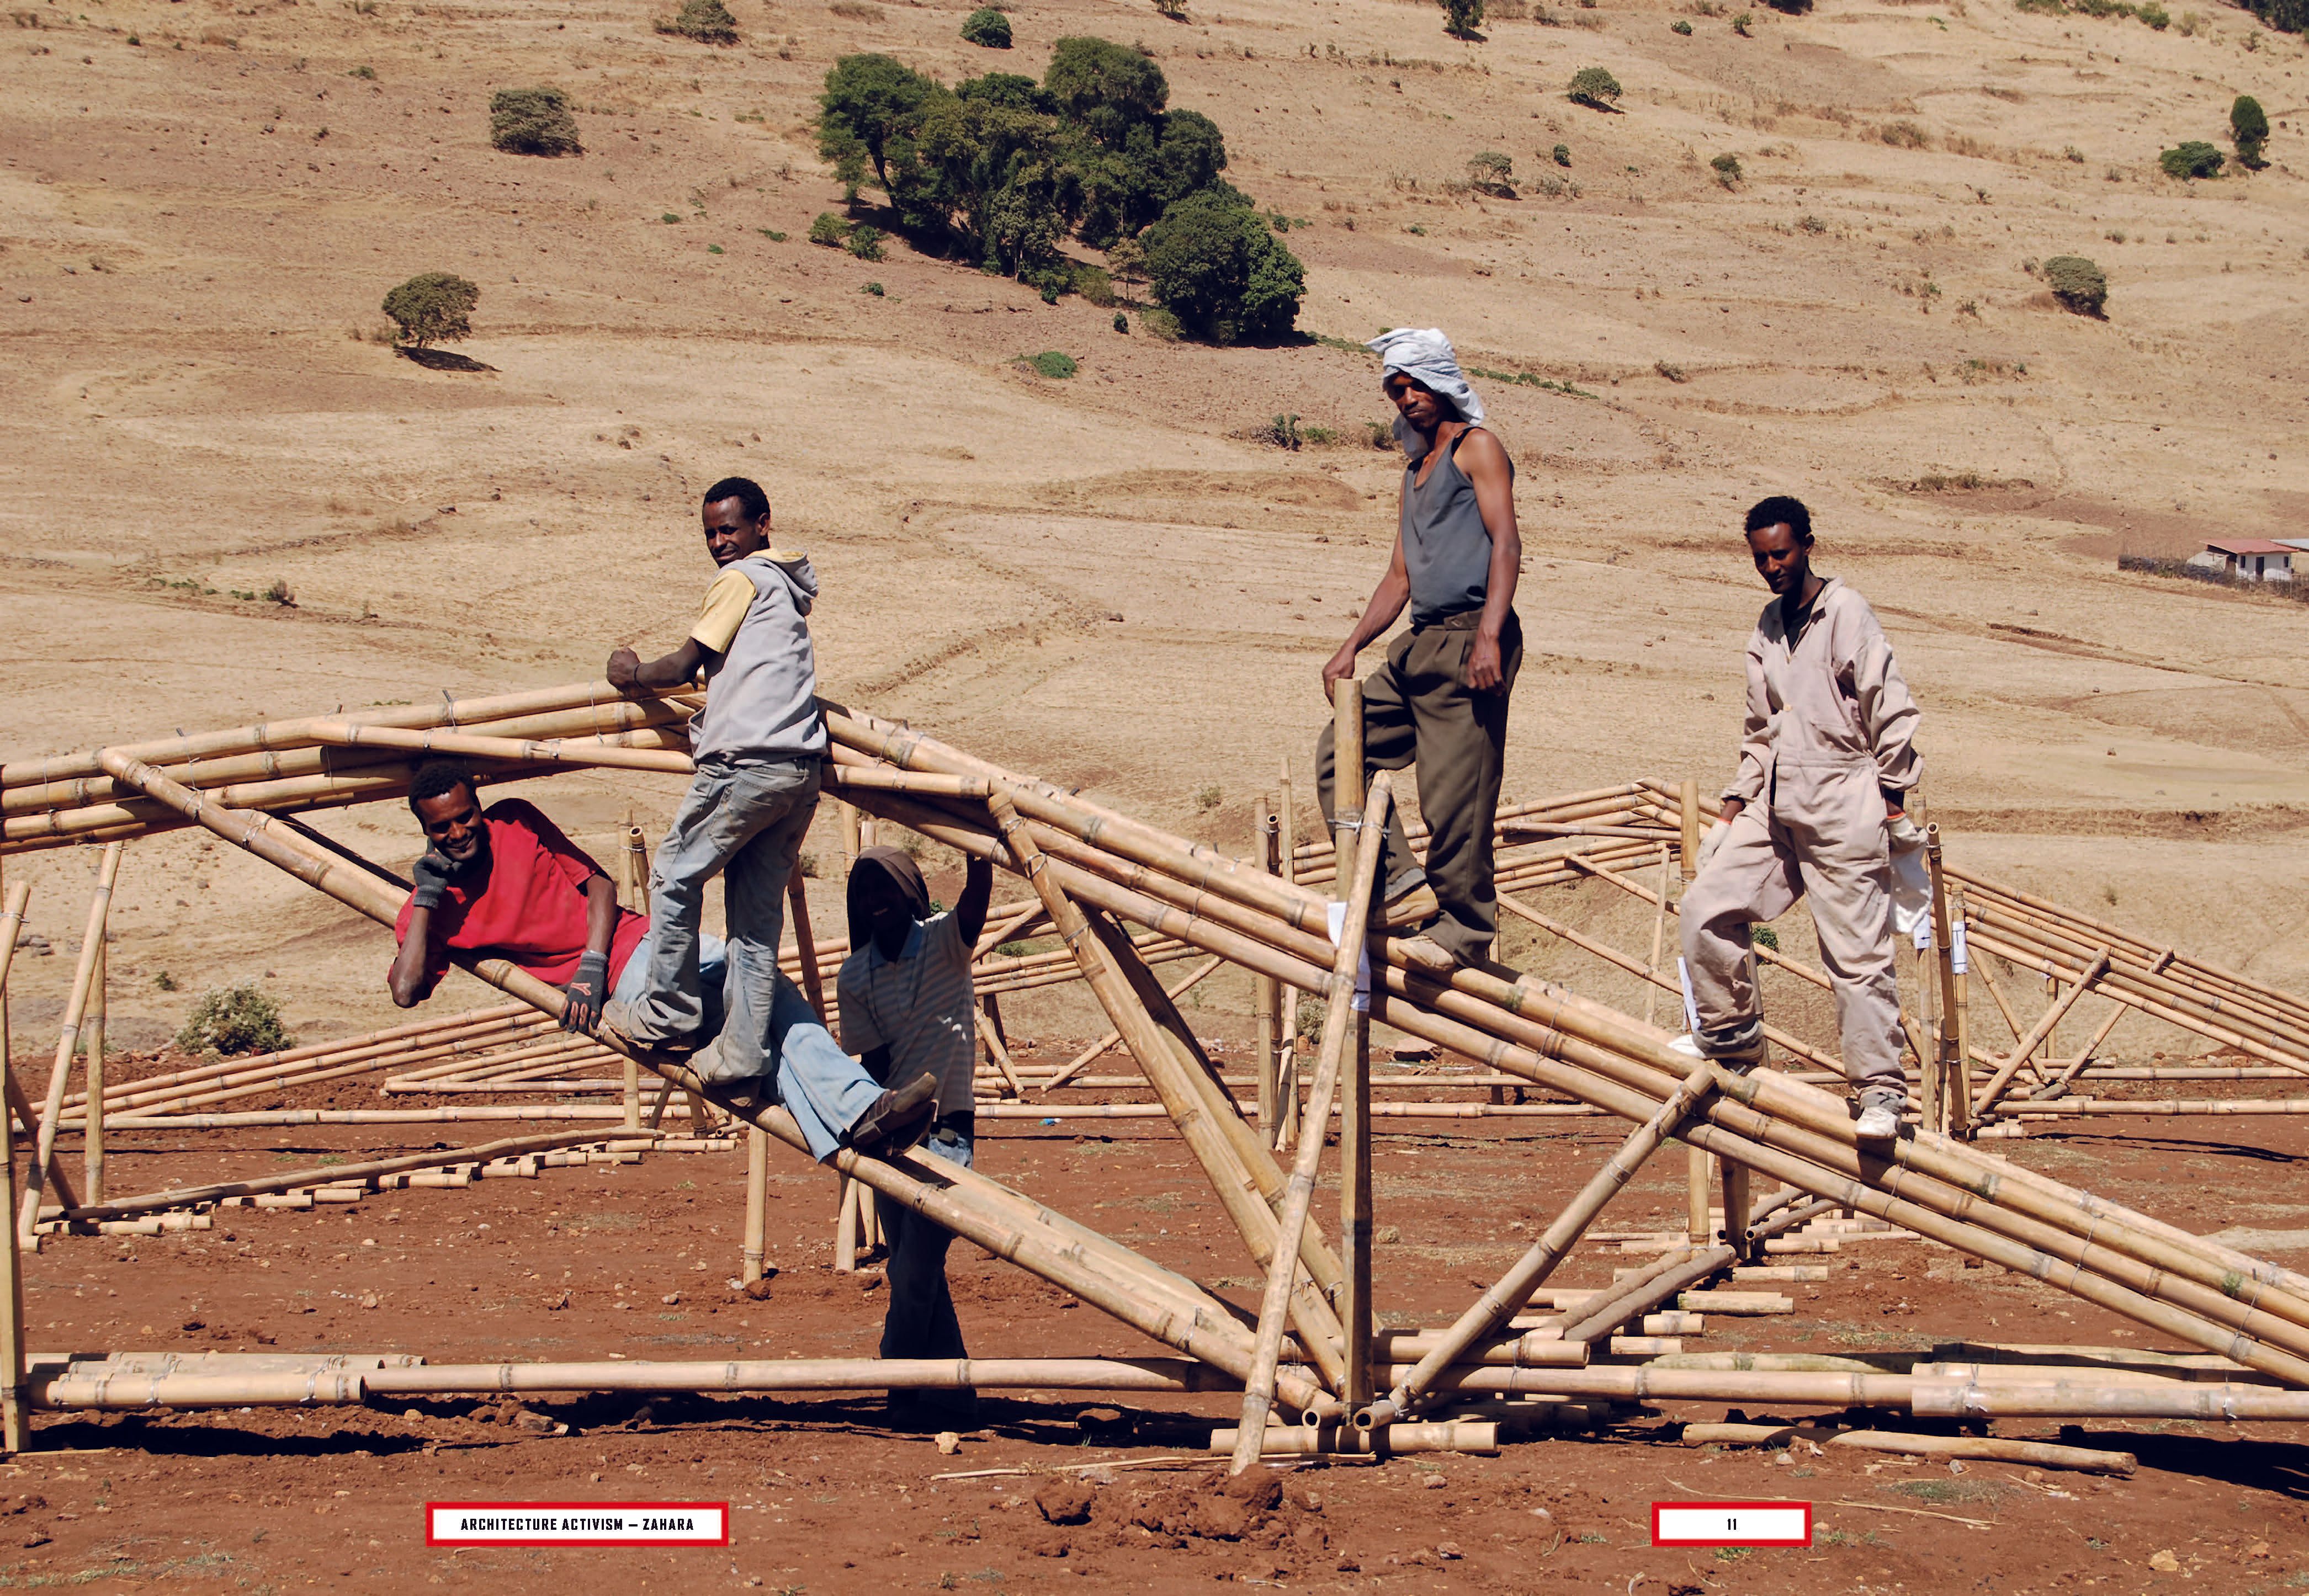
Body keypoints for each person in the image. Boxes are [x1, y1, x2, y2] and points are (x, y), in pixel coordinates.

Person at [599, 475, 936, 1159]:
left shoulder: (742, 581)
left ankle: (666, 1009)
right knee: (754, 926)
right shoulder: (787, 592)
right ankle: (742, 1051)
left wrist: (631, 673)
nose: (720, 544)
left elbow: (686, 662)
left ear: (761, 526)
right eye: (711, 535)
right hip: (796, 772)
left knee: (672, 876)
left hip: (745, 766)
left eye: (729, 529)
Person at [1679, 495, 1924, 1142]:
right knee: (1705, 907)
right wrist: (1730, 813)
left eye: (1780, 553)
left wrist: (1895, 797)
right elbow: (1761, 730)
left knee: (1855, 957)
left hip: (1843, 798)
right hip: (1776, 803)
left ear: (1808, 544)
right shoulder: (1766, 625)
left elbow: (1888, 703)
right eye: (1760, 557)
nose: (1771, 566)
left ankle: (1880, 1091)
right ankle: (1730, 1035)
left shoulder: (1845, 613)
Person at [1317, 327, 1524, 973]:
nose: (1405, 398)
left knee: (1453, 799)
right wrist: (1349, 647)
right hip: (1420, 643)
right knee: (1339, 754)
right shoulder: (1413, 473)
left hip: (1471, 637)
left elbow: (1506, 543)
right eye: (1394, 389)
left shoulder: (1476, 448)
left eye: (1414, 385)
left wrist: (1489, 634)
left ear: (1440, 383)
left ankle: (1461, 931)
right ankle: (1399, 883)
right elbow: (1399, 578)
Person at [836, 845, 994, 1427]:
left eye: (885, 890)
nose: (875, 903)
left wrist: (977, 841)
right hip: (890, 1134)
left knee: (912, 1268)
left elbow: (977, 899)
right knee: (914, 1267)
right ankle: (952, 1394)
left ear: (911, 893)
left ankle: (897, 1381)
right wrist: (867, 1135)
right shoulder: (855, 976)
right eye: (863, 894)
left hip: (947, 1129)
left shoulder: (944, 942)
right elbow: (874, 1066)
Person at [388, 760, 714, 1036]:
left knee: (752, 989)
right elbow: (405, 993)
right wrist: (428, 896)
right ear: (426, 832)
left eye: (465, 817)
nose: (458, 833)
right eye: (442, 827)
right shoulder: (430, 906)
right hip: (623, 983)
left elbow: (599, 884)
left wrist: (592, 966)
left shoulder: (515, 819)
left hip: (640, 938)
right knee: (713, 1023)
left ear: (479, 806)